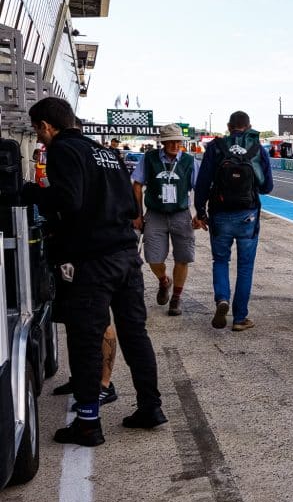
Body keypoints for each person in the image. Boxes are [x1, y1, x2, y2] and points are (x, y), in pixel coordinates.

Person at [21, 97, 164, 447]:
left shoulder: (63, 151)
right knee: (135, 334)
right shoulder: (106, 153)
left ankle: (88, 425)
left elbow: (68, 200)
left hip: (92, 261)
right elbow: (132, 205)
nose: (39, 141)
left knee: (85, 340)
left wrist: (30, 192)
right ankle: (150, 407)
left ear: (46, 126)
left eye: (39, 133)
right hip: (126, 256)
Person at [194, 111, 274, 331]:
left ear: (228, 126)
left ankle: (222, 300)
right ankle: (240, 319)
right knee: (245, 267)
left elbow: (202, 183)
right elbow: (267, 187)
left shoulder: (216, 147)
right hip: (247, 215)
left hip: (220, 214)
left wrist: (200, 212)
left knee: (220, 261)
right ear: (249, 126)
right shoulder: (257, 148)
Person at [131, 124, 199, 316]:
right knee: (152, 257)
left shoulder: (188, 161)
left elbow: (200, 187)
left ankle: (176, 297)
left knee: (183, 257)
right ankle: (163, 280)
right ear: (163, 142)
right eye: (171, 141)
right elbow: (137, 186)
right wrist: (138, 214)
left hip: (180, 213)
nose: (175, 145)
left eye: (178, 141)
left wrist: (200, 214)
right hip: (155, 214)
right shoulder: (149, 158)